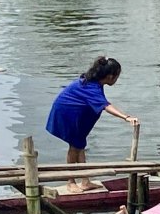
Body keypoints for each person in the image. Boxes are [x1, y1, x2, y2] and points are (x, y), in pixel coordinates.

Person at [46, 56, 139, 194]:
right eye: (117, 76)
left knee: (80, 146)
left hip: (76, 114)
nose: (117, 80)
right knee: (74, 146)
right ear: (109, 76)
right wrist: (126, 117)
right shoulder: (91, 87)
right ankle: (70, 182)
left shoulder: (95, 83)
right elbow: (105, 105)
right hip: (66, 114)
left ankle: (85, 181)